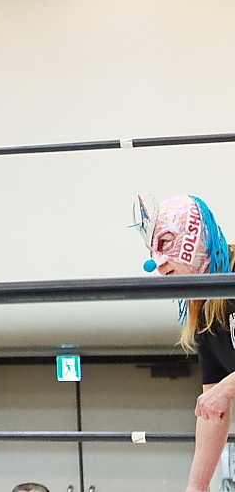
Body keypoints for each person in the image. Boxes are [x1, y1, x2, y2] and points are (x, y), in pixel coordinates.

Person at [134, 195, 234, 492]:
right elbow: (212, 411)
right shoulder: (204, 308)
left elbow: (220, 393)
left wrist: (227, 387)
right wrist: (196, 486)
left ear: (194, 236)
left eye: (165, 244)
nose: (156, 264)